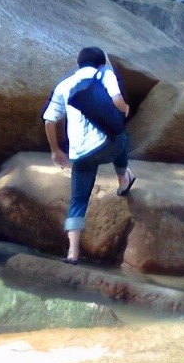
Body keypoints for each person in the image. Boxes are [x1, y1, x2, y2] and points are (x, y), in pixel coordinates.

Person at [42, 46, 135, 264]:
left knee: (78, 200)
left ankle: (72, 253)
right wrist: (126, 109)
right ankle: (123, 179)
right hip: (107, 146)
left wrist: (56, 151)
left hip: (80, 154)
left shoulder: (64, 85)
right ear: (101, 63)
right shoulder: (105, 74)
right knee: (122, 136)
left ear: (78, 63)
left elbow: (49, 121)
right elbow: (117, 99)